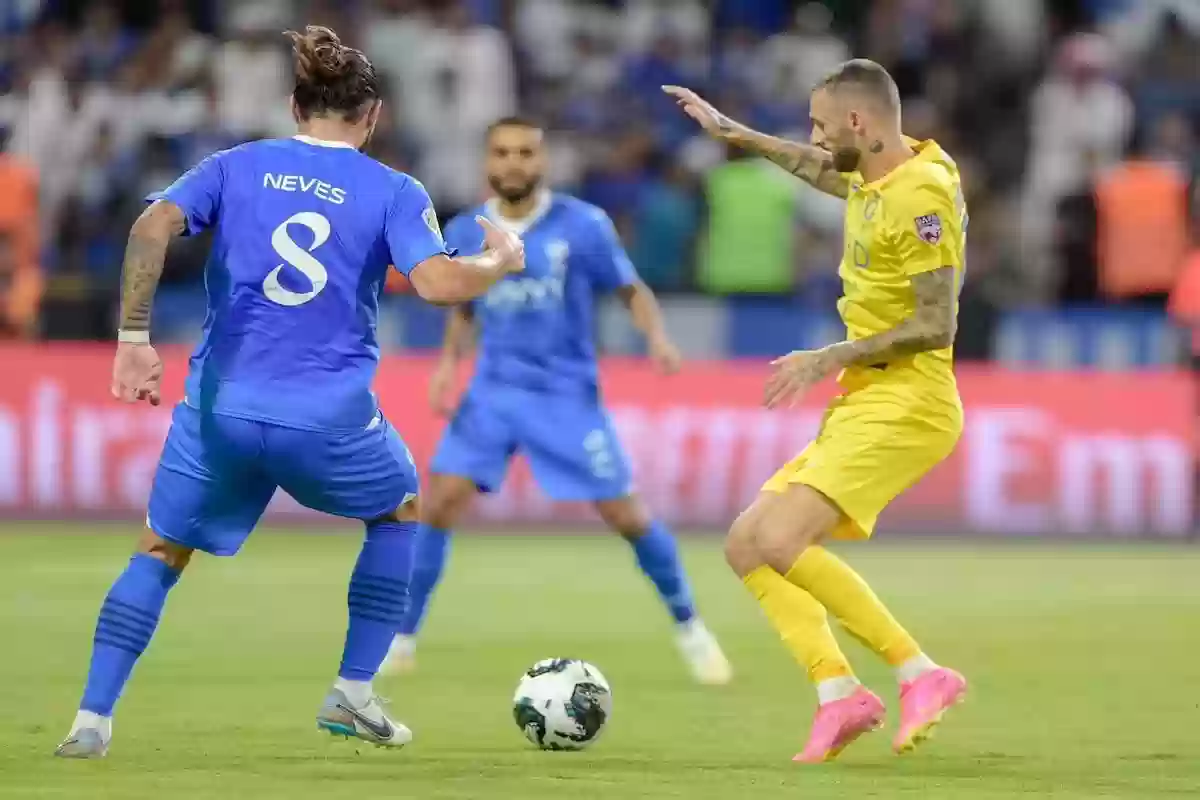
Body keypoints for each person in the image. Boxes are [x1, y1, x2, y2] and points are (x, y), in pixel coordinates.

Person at [55, 26, 525, 759]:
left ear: (293, 105)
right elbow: (436, 284)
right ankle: (354, 691)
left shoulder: (233, 166)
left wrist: (133, 339)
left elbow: (151, 225)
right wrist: (498, 261)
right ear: (372, 117)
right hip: (324, 415)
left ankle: (90, 722)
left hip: (222, 408)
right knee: (402, 506)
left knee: (161, 548)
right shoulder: (394, 188)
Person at [665, 60, 968, 764]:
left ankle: (920, 673)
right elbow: (821, 170)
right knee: (747, 545)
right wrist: (733, 133)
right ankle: (840, 694)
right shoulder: (881, 172)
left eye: (821, 122)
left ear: (858, 123)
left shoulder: (920, 195)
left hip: (911, 398)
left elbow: (939, 322)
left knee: (780, 541)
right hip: (870, 396)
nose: (814, 134)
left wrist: (829, 356)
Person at [379, 117, 732, 686]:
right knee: (436, 503)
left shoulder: (583, 225)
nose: (513, 163)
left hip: (565, 396)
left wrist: (658, 338)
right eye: (502, 152)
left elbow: (629, 288)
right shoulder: (467, 229)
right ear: (486, 162)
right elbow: (464, 303)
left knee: (627, 514)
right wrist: (449, 365)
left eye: (525, 152)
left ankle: (691, 628)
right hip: (492, 392)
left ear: (542, 162)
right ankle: (402, 638)